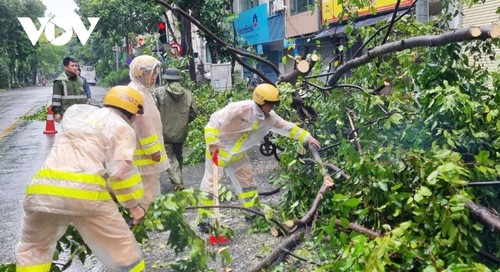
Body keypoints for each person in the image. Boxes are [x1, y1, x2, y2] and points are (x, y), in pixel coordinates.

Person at [16, 86, 147, 271]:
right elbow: (120, 173)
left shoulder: (82, 120)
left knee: (33, 249)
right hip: (86, 195)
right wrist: (134, 206)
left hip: (42, 191)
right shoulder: (121, 127)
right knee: (125, 252)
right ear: (134, 112)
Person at [198, 83, 321, 232]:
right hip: (218, 152)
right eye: (270, 104)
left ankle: (252, 213)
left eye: (274, 104)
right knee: (212, 185)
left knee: (248, 184)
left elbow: (287, 127)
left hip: (238, 155)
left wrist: (308, 137)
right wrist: (212, 143)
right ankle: (205, 220)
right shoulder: (241, 108)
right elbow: (214, 122)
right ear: (261, 101)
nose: (272, 107)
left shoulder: (269, 118)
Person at [128, 55, 169, 210]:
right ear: (141, 74)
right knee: (148, 191)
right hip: (144, 155)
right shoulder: (137, 93)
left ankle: (146, 217)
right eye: (152, 74)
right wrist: (153, 149)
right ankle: (145, 218)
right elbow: (142, 124)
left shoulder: (143, 91)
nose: (154, 77)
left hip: (145, 154)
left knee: (149, 189)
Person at [155, 68, 198, 191]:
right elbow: (194, 112)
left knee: (169, 158)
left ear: (166, 79)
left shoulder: (159, 92)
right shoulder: (188, 94)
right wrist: (183, 122)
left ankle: (178, 182)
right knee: (178, 156)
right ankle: (178, 180)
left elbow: (154, 111)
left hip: (164, 133)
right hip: (181, 132)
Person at [51, 57, 86, 122]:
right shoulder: (60, 81)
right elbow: (56, 99)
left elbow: (83, 97)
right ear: (66, 67)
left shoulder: (80, 81)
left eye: (76, 66)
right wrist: (56, 113)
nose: (75, 68)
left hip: (80, 114)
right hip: (67, 114)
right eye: (72, 66)